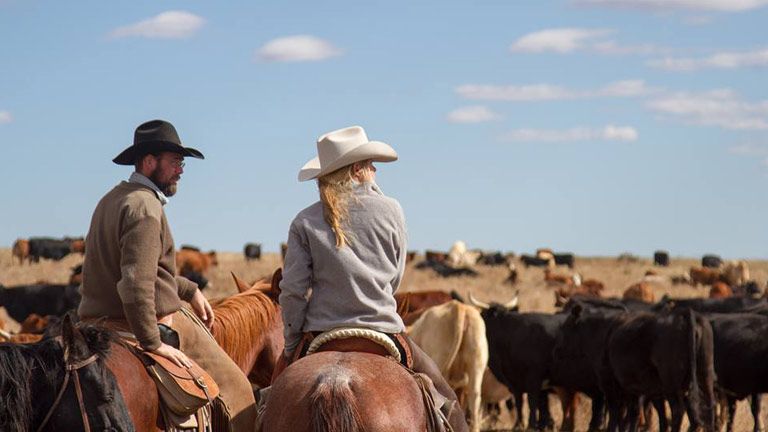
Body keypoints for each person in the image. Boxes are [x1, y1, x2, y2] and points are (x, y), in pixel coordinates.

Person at [278, 125, 469, 432]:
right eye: (370, 164)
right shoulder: (392, 209)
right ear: (357, 169)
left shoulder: (304, 220)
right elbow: (395, 277)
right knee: (447, 400)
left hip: (320, 333)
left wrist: (290, 346)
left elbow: (293, 291)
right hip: (383, 331)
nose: (375, 170)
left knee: (266, 404)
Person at [78, 119, 256, 432]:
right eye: (175, 161)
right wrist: (153, 342)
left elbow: (140, 270)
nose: (181, 170)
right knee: (238, 390)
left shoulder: (112, 199)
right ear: (149, 161)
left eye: (182, 163)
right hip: (142, 323)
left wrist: (189, 290)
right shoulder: (146, 207)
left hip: (94, 322)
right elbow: (136, 284)